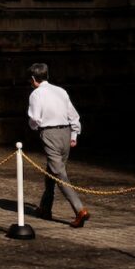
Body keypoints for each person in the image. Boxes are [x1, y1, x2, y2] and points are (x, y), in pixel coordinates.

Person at [26, 62, 89, 227]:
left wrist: (33, 127)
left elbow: (35, 119)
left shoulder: (36, 94)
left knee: (60, 175)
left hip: (50, 133)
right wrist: (74, 134)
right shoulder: (61, 91)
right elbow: (73, 115)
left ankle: (79, 210)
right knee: (54, 171)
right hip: (66, 132)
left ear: (33, 79)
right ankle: (45, 208)